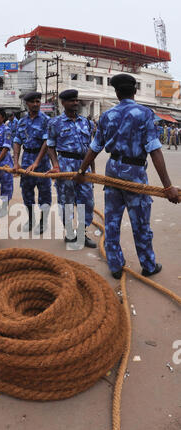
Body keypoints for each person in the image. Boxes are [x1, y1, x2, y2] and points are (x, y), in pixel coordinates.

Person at [75, 73, 179, 279]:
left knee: (112, 222)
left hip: (112, 171)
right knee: (140, 222)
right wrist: (168, 187)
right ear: (135, 91)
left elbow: (94, 147)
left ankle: (115, 265)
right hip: (135, 174)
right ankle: (148, 265)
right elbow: (155, 149)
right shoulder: (145, 113)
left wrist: (81, 171)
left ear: (116, 92)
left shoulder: (107, 116)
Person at [46, 89, 96, 248]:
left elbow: (90, 148)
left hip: (84, 165)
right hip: (65, 164)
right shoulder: (55, 123)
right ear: (63, 103)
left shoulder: (86, 122)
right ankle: (69, 232)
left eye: (76, 100)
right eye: (71, 100)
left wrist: (92, 171)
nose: (75, 103)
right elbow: (50, 146)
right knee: (66, 201)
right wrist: (55, 165)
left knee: (86, 201)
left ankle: (82, 233)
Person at [13, 92, 51, 234]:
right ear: (27, 104)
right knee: (27, 192)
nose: (36, 104)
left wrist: (36, 162)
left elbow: (47, 142)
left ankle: (43, 221)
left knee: (44, 193)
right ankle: (31, 219)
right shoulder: (21, 121)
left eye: (38, 101)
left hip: (41, 162)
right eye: (33, 102)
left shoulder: (46, 120)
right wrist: (16, 162)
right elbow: (17, 141)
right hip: (26, 159)